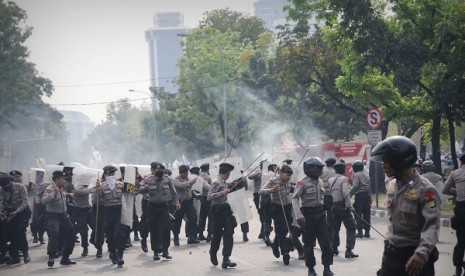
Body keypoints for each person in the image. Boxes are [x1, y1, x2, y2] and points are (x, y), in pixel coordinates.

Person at [371, 136, 440, 276]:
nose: (383, 165)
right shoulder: (392, 185)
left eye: (387, 161)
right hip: (390, 257)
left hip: (414, 259)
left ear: (400, 160)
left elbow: (432, 224)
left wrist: (422, 253)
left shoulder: (426, 190)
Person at [293, 157, 335, 276]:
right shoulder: (302, 182)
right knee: (309, 245)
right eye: (318, 168)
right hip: (308, 216)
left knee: (326, 244)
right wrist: (299, 216)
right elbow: (295, 198)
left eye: (321, 168)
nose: (320, 171)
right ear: (310, 169)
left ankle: (327, 268)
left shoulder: (320, 181)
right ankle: (311, 269)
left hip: (321, 215)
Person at [140, 162, 180, 261]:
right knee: (153, 228)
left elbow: (173, 191)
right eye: (157, 170)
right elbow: (139, 190)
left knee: (166, 227)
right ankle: (156, 251)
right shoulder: (148, 179)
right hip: (152, 207)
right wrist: (144, 188)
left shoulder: (167, 178)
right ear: (153, 171)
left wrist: (176, 202)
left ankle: (165, 250)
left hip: (164, 206)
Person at [260, 164, 294, 265]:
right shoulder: (274, 180)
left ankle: (275, 244)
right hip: (277, 208)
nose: (289, 177)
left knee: (288, 228)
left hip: (287, 207)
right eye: (287, 175)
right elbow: (261, 191)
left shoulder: (288, 181)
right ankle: (285, 252)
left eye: (290, 175)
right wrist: (272, 190)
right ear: (282, 173)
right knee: (281, 229)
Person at [42, 170, 76, 267]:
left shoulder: (62, 188)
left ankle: (65, 257)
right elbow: (44, 201)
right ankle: (51, 256)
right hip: (53, 215)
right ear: (57, 179)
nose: (64, 181)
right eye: (62, 179)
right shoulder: (50, 189)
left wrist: (69, 195)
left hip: (64, 216)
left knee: (71, 235)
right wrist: (53, 194)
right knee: (54, 233)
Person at [208, 162, 238, 269]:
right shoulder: (215, 182)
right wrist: (222, 193)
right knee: (217, 234)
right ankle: (213, 252)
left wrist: (229, 185)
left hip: (226, 210)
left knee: (229, 233)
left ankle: (226, 258)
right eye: (229, 172)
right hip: (217, 211)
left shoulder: (223, 182)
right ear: (227, 172)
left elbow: (224, 188)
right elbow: (209, 197)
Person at [95, 165, 125, 267]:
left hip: (119, 209)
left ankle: (120, 254)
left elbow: (133, 192)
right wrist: (97, 190)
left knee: (119, 232)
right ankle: (113, 252)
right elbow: (96, 201)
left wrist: (130, 186)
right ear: (105, 175)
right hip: (108, 210)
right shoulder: (102, 186)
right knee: (110, 233)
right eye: (108, 174)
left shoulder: (120, 184)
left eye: (112, 174)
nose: (110, 176)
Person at [328, 162, 358, 258]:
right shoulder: (344, 179)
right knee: (351, 227)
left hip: (334, 206)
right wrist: (350, 206)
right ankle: (349, 250)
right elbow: (346, 193)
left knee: (335, 228)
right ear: (343, 170)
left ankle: (334, 248)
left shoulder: (330, 180)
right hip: (342, 206)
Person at [0, 175, 31, 265]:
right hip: (11, 212)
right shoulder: (2, 189)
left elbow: (25, 202)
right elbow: (2, 201)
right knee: (10, 234)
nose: (5, 188)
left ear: (10, 182)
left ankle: (25, 253)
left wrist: (17, 212)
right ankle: (15, 256)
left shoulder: (20, 187)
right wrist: (1, 210)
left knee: (20, 231)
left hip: (23, 212)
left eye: (6, 186)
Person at [443, 152, 465, 276]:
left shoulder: (455, 174)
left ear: (461, 162)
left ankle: (458, 268)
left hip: (461, 209)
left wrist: (456, 192)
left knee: (461, 240)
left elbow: (445, 189)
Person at [172, 164, 199, 245]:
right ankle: (176, 237)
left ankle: (191, 236)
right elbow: (180, 185)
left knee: (193, 218)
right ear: (180, 173)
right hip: (179, 202)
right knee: (177, 220)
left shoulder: (189, 178)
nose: (186, 175)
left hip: (188, 201)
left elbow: (191, 188)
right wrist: (190, 182)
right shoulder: (176, 179)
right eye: (184, 173)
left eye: (186, 173)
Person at [72, 178, 95, 257]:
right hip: (80, 212)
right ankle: (85, 247)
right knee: (84, 230)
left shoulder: (87, 187)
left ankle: (93, 240)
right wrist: (93, 187)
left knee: (95, 227)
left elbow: (93, 191)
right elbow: (85, 192)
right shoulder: (77, 188)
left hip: (88, 210)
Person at [349, 160, 372, 238]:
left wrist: (349, 195)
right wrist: (370, 197)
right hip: (367, 195)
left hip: (359, 196)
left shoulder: (356, 175)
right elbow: (369, 188)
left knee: (358, 214)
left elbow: (355, 186)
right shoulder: (366, 175)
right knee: (367, 214)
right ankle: (367, 232)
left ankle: (360, 232)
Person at [198, 163, 212, 242]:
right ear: (207, 169)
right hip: (207, 198)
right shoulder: (207, 177)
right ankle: (209, 235)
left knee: (202, 217)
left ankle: (200, 234)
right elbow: (208, 188)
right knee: (210, 217)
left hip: (200, 198)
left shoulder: (198, 176)